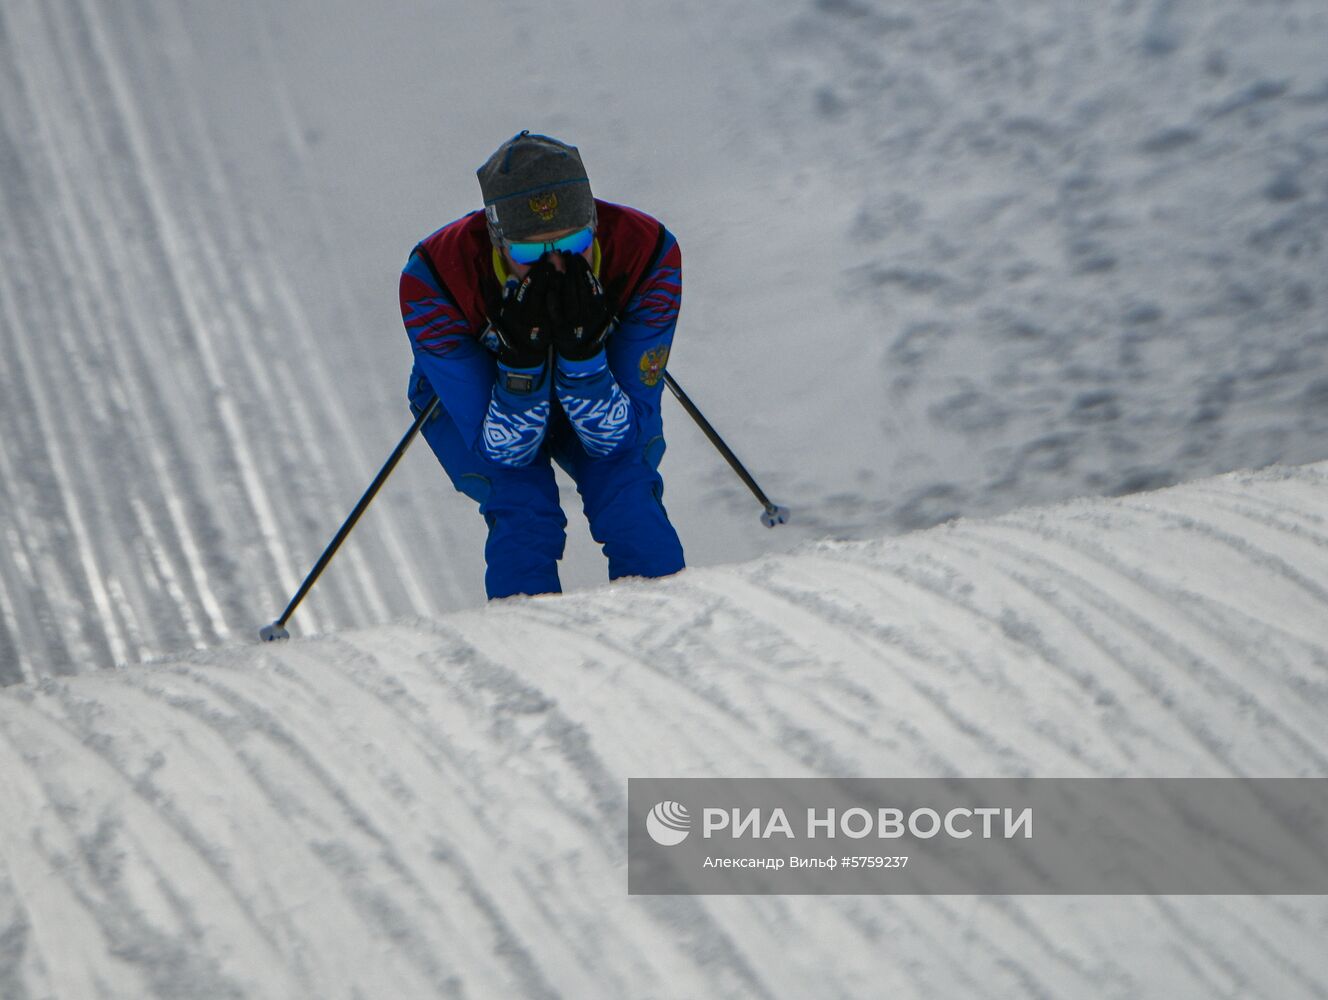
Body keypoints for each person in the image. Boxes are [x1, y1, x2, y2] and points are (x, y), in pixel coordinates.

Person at [399, 131, 686, 599]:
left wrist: (583, 359)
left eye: (573, 244)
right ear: (496, 240)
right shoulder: (435, 280)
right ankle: (528, 648)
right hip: (478, 400)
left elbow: (616, 439)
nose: (555, 264)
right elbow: (504, 452)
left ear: (594, 222)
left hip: (604, 384)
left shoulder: (646, 253)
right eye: (530, 253)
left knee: (627, 493)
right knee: (522, 507)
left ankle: (669, 628)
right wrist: (523, 369)